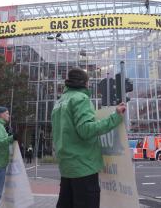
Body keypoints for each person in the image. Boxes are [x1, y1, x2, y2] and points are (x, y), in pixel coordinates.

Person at [52, 68, 126, 208]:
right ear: (85, 83)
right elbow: (86, 130)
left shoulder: (59, 102)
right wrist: (115, 118)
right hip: (84, 166)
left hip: (67, 168)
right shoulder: (81, 99)